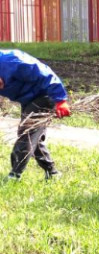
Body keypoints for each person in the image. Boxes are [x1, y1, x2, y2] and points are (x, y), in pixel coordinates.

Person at [1, 48, 70, 180]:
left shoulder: (13, 60)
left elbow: (45, 74)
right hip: (28, 99)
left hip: (45, 95)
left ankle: (14, 175)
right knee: (34, 137)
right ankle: (52, 173)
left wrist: (60, 100)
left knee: (27, 132)